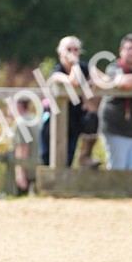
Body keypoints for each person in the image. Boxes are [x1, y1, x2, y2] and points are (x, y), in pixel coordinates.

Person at [38, 36, 99, 167]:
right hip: (54, 122)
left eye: (75, 49)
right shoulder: (56, 72)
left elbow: (104, 80)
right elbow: (74, 81)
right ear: (60, 52)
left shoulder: (85, 67)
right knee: (48, 160)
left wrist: (91, 88)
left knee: (68, 160)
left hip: (74, 121)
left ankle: (85, 157)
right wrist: (75, 63)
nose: (72, 53)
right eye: (68, 49)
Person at [98, 34, 132, 170]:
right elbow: (122, 82)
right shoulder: (113, 68)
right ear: (121, 51)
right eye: (128, 48)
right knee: (117, 170)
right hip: (114, 128)